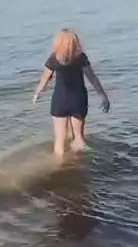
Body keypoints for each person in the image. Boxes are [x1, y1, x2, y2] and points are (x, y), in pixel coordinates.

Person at [33, 28, 110, 157]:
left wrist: (37, 93)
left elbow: (45, 78)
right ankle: (78, 162)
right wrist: (102, 95)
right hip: (78, 100)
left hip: (60, 100)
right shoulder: (80, 57)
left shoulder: (54, 57)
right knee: (78, 138)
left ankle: (60, 164)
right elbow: (91, 77)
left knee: (59, 140)